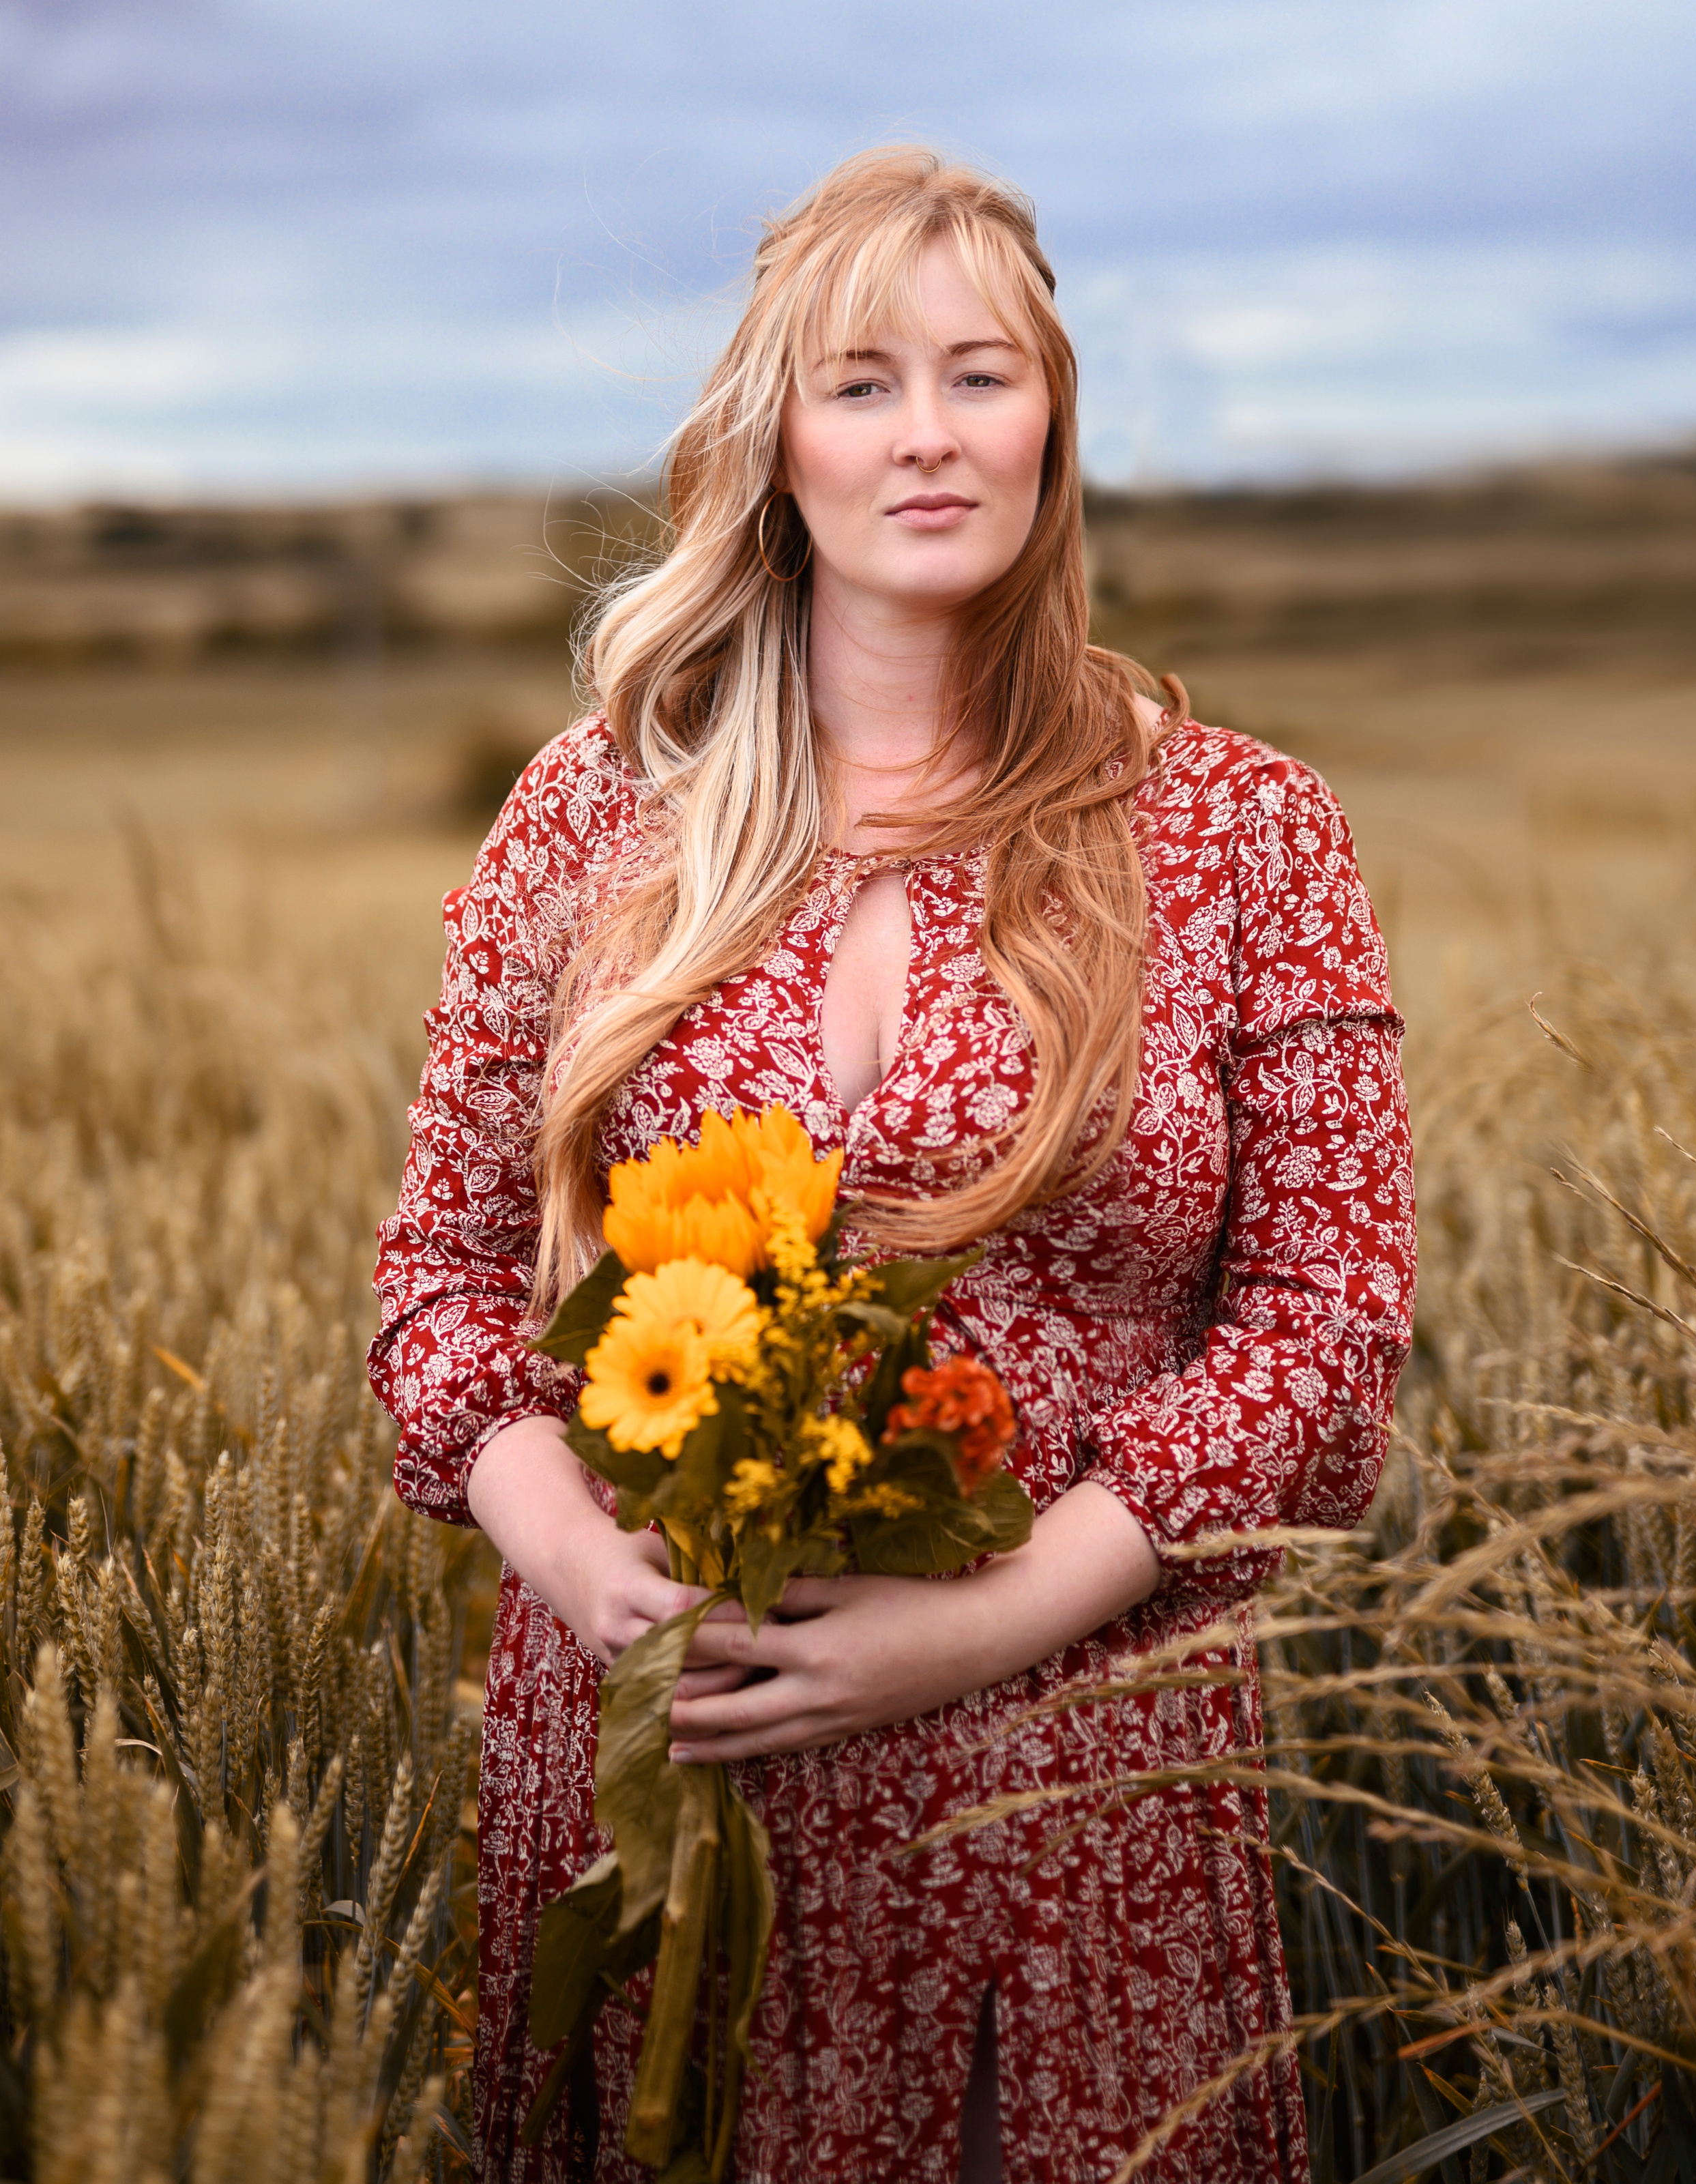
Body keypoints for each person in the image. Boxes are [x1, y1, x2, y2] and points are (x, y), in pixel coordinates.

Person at [370, 147, 1415, 2184]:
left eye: (979, 376)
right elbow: (437, 1289)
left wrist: (992, 1613)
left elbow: (1330, 1329)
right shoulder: (589, 824)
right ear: (776, 443)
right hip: (663, 1772)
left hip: (1070, 1785)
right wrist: (587, 1566)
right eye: (860, 383)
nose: (927, 434)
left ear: (1055, 420)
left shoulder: (1243, 832)